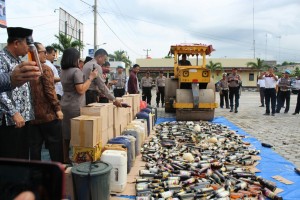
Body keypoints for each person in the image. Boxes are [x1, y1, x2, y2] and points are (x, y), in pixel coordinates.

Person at [0, 27, 36, 159]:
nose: (29, 48)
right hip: (10, 121)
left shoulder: (18, 61)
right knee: (11, 158)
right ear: (16, 43)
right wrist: (13, 112)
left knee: (22, 156)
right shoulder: (2, 59)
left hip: (23, 118)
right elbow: (1, 92)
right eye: (27, 44)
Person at [60, 48, 98, 163]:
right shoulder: (76, 71)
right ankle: (79, 158)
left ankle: (65, 158)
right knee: (78, 133)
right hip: (75, 106)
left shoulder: (63, 71)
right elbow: (81, 90)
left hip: (64, 104)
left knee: (66, 134)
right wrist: (91, 78)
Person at [29, 42, 63, 162]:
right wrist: (58, 109)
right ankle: (56, 173)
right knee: (55, 146)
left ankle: (35, 175)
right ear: (35, 54)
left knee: (35, 147)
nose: (45, 54)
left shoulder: (26, 69)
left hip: (32, 116)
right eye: (43, 52)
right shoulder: (45, 69)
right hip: (48, 115)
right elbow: (50, 91)